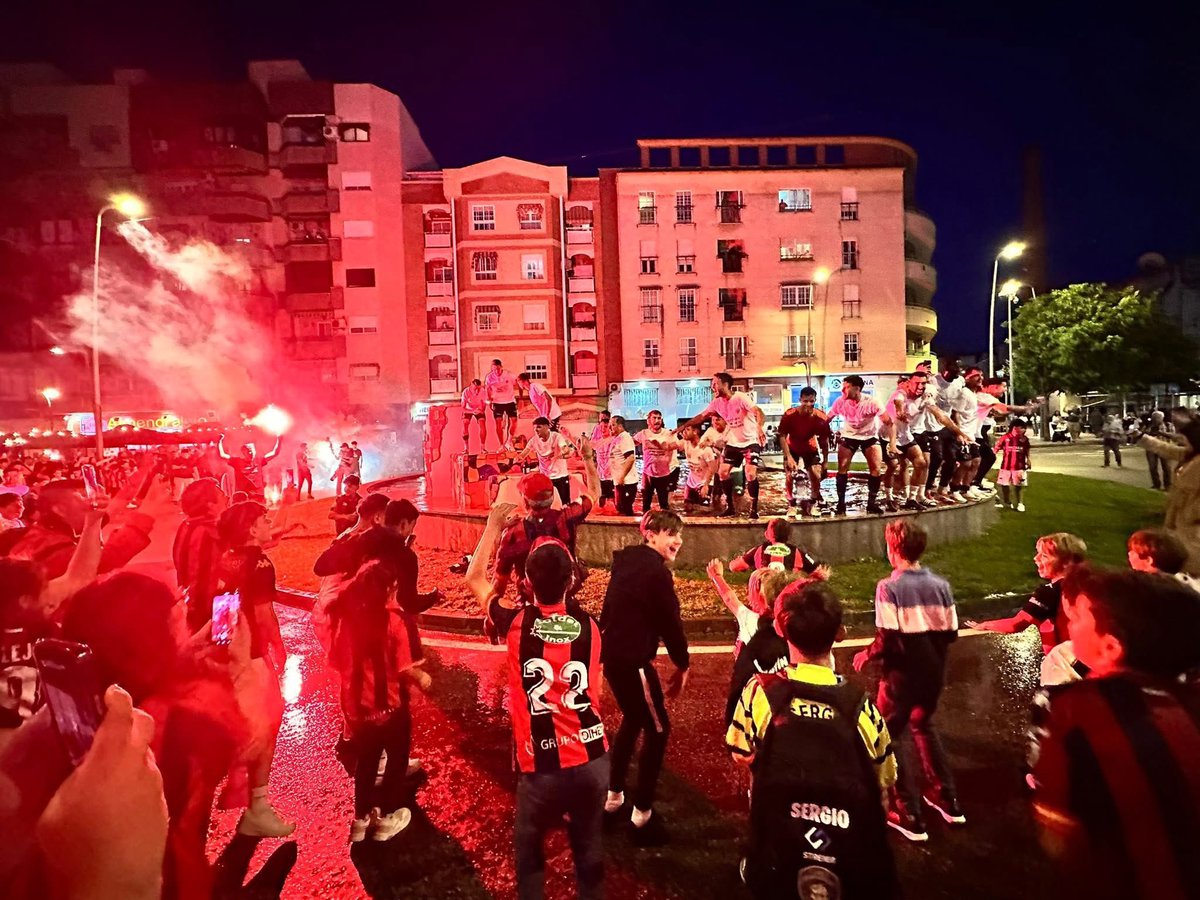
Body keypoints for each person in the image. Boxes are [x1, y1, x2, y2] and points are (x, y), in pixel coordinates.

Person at [61, 572, 244, 900]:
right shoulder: (177, 719)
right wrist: (237, 670)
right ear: (152, 636)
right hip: (165, 878)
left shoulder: (92, 698)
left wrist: (183, 652)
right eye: (175, 608)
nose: (182, 612)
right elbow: (236, 741)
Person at [1033, 567, 1200, 899]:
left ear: (1111, 648)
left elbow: (1059, 832)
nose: (1070, 626)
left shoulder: (1073, 708)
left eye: (1078, 617)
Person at [728, 580, 899, 899]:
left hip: (780, 843)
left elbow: (740, 750)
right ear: (839, 633)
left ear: (780, 629)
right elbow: (885, 778)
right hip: (847, 852)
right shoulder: (861, 706)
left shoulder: (759, 693)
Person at [489, 539, 609, 899]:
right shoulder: (592, 626)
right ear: (571, 579)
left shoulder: (515, 622)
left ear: (526, 582)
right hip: (592, 758)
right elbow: (596, 687)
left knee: (529, 854)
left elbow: (476, 583)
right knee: (589, 848)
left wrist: (494, 527)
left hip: (541, 767)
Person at [853, 519, 963, 842]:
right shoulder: (941, 585)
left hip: (901, 675)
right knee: (924, 725)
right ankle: (948, 799)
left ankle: (908, 810)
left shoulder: (889, 587)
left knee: (889, 734)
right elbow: (952, 632)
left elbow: (887, 636)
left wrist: (866, 654)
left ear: (892, 549)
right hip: (933, 673)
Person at [600, 509, 689, 845]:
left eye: (679, 533)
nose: (677, 540)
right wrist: (683, 664)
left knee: (634, 720)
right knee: (658, 729)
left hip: (614, 659)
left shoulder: (626, 564)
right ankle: (642, 815)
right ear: (650, 534)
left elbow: (608, 611)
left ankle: (613, 798)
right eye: (669, 533)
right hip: (634, 662)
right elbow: (671, 622)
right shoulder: (655, 573)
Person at [214, 501, 295, 838]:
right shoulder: (260, 564)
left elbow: (222, 611)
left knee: (238, 722)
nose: (268, 523)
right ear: (250, 528)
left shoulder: (225, 558)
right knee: (266, 726)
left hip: (229, 652)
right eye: (263, 520)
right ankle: (257, 807)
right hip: (254, 656)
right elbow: (263, 615)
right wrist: (277, 649)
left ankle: (234, 787)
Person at [492, 441, 598, 606]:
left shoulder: (512, 534)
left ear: (526, 503)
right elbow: (594, 493)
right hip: (564, 600)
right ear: (551, 498)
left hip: (530, 603)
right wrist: (588, 457)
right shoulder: (566, 516)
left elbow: (499, 583)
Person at [676, 373, 765, 519]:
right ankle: (730, 508)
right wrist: (684, 426)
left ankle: (754, 509)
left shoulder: (740, 397)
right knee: (723, 473)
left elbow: (758, 411)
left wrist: (759, 427)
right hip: (733, 443)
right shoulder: (717, 402)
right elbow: (701, 416)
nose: (712, 387)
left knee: (750, 474)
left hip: (750, 441)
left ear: (725, 384)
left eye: (715, 383)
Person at [1135, 419, 1200, 573]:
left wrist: (1192, 513)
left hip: (1193, 525)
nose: (1183, 441)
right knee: (1178, 560)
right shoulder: (1190, 455)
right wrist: (1141, 437)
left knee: (1191, 562)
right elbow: (1165, 449)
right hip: (1179, 520)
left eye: (1186, 439)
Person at [172, 478, 228, 632]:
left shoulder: (186, 526)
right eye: (221, 494)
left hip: (192, 603)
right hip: (214, 605)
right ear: (210, 506)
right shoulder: (211, 531)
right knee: (220, 648)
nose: (226, 497)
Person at [828, 375, 883, 515]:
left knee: (876, 469)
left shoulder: (872, 402)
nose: (842, 390)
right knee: (842, 468)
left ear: (857, 389)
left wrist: (891, 442)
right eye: (843, 386)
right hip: (849, 436)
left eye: (846, 387)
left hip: (869, 436)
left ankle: (871, 503)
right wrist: (826, 432)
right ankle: (841, 503)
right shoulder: (840, 402)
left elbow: (888, 421)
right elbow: (826, 419)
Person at [776, 386, 832, 519]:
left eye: (811, 401)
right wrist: (788, 456)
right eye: (805, 401)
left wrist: (825, 461)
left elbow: (824, 441)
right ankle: (791, 504)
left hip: (810, 447)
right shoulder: (790, 415)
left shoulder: (821, 417)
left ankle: (813, 502)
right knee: (789, 475)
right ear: (800, 399)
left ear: (815, 400)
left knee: (816, 474)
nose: (808, 404)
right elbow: (782, 435)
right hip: (793, 446)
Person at [730, 517, 820, 576]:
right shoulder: (797, 552)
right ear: (789, 535)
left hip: (764, 598)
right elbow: (819, 571)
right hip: (790, 598)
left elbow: (734, 567)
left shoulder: (759, 550)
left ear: (767, 534)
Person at [518, 417, 575, 505]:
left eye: (539, 427)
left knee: (566, 503)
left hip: (561, 475)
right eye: (534, 428)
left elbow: (565, 448)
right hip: (545, 477)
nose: (536, 430)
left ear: (547, 427)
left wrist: (562, 452)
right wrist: (519, 457)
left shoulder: (556, 437)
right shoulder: (534, 440)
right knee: (545, 503)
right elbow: (524, 452)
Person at [1126, 527, 1200, 591]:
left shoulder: (1146, 592)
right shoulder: (1190, 586)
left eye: (1132, 551)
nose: (1129, 555)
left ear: (1149, 560)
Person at [634, 409, 679, 512]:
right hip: (647, 474)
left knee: (664, 505)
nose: (657, 420)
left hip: (664, 474)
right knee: (645, 504)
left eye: (659, 418)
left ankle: (665, 525)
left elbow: (679, 446)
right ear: (648, 421)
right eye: (654, 418)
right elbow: (632, 442)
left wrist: (665, 446)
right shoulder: (643, 433)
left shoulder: (668, 434)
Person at [218, 433, 281, 501]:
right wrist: (219, 442)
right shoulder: (237, 462)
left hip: (258, 495)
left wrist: (279, 440)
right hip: (242, 496)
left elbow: (274, 453)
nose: (251, 453)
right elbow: (222, 455)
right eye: (248, 451)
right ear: (243, 452)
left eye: (252, 451)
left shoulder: (259, 461)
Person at [993, 417, 1033, 512]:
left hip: (1019, 466)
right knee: (1004, 485)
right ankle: (1007, 502)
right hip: (1006, 466)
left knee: (1019, 485)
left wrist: (1028, 459)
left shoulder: (1024, 439)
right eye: (1022, 428)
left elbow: (1027, 449)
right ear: (1015, 428)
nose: (1024, 430)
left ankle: (1020, 503)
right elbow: (996, 448)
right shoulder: (1005, 438)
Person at [680, 424, 716, 514]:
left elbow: (713, 468)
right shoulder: (686, 443)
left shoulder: (706, 449)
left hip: (704, 482)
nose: (684, 432)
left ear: (695, 432)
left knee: (704, 511)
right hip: (691, 482)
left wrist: (706, 485)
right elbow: (671, 445)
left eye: (687, 429)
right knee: (687, 508)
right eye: (684, 430)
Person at [608, 415, 640, 516]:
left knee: (626, 510)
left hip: (627, 482)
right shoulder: (617, 438)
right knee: (620, 508)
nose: (610, 428)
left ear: (620, 426)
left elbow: (630, 458)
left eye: (612, 425)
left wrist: (622, 476)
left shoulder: (625, 438)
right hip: (620, 481)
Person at [486, 359, 519, 447]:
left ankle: (509, 441)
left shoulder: (509, 375)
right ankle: (501, 444)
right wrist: (489, 400)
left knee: (514, 421)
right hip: (497, 402)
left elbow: (518, 383)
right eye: (494, 370)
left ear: (501, 367)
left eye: (498, 369)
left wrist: (520, 396)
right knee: (498, 422)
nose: (496, 372)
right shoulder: (489, 377)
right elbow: (488, 388)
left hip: (510, 400)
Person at [1142, 409, 1173, 490]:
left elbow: (1173, 435)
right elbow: (1142, 435)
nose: (1155, 419)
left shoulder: (1168, 425)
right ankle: (1156, 484)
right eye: (1154, 417)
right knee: (1152, 467)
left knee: (1166, 467)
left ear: (1162, 418)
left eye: (1157, 417)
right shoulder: (1148, 425)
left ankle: (1168, 485)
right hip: (1151, 448)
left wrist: (1161, 433)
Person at [591, 413, 615, 510]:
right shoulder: (598, 442)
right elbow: (585, 448)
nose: (602, 429)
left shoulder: (615, 440)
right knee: (601, 496)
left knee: (614, 499)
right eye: (601, 427)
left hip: (612, 475)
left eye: (605, 427)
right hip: (601, 474)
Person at [462, 378, 488, 451]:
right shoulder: (466, 392)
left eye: (478, 389)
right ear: (471, 385)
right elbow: (463, 408)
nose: (476, 391)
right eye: (475, 388)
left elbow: (484, 404)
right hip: (468, 409)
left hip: (478, 408)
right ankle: (466, 447)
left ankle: (483, 447)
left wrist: (481, 410)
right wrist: (472, 411)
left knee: (482, 423)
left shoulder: (483, 391)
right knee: (465, 423)